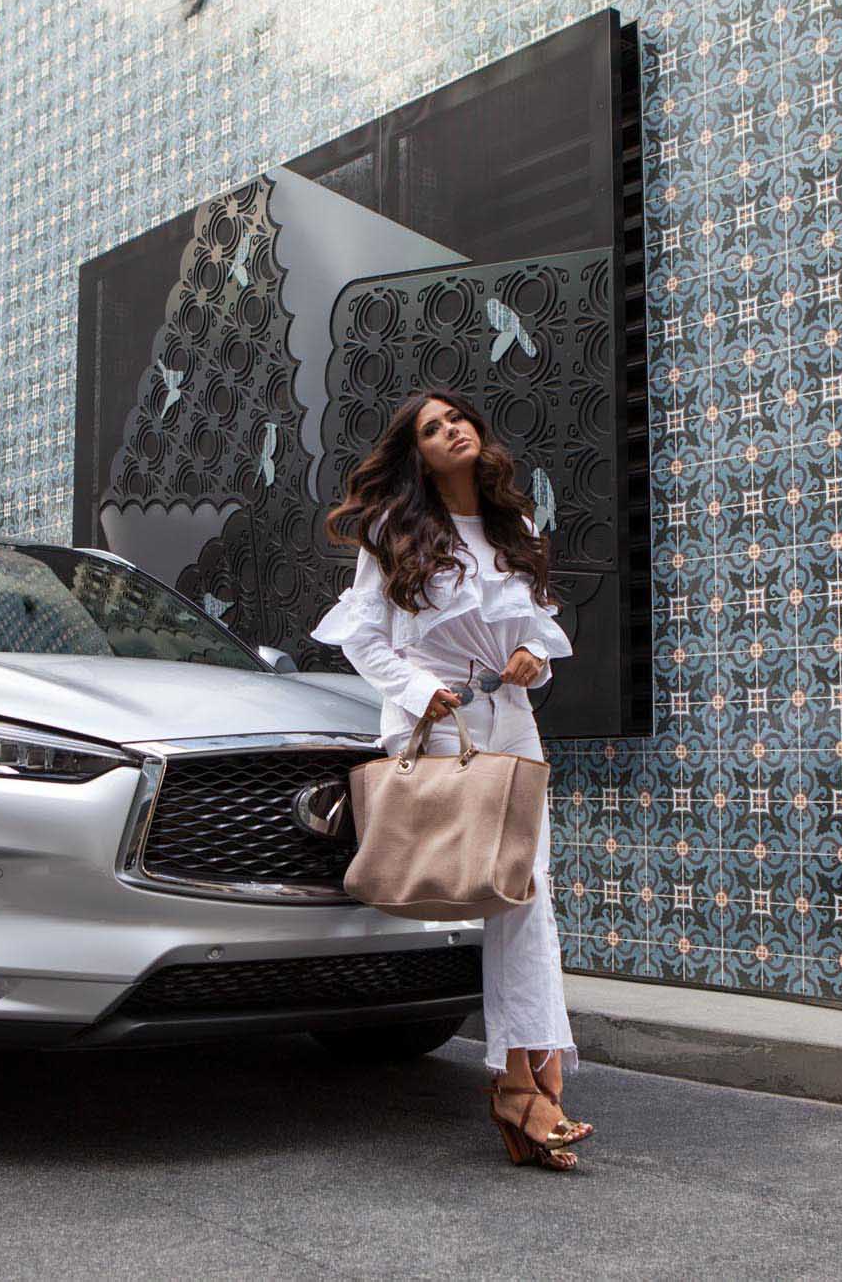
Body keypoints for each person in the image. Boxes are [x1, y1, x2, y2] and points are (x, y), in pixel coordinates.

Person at [309, 389, 593, 1171]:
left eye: (458, 418)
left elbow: (535, 627)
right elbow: (362, 637)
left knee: (525, 887)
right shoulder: (393, 530)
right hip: (436, 723)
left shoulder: (514, 527)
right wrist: (413, 692)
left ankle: (524, 1075)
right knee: (515, 894)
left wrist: (532, 661)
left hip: (510, 718)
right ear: (418, 453)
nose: (451, 430)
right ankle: (528, 1074)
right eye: (433, 428)